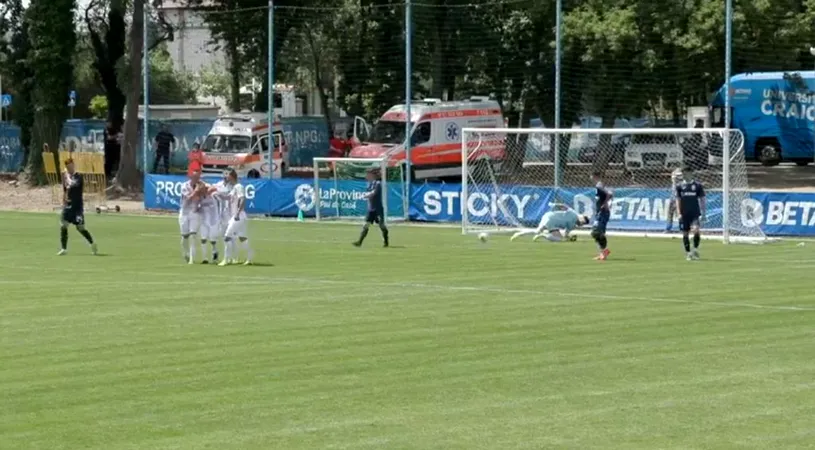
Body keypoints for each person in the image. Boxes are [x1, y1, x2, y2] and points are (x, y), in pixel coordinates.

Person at [58, 159, 98, 256]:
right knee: (63, 226)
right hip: (68, 206)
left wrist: (67, 177)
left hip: (77, 208)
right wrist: (63, 201)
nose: (69, 168)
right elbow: (65, 190)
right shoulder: (66, 177)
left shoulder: (78, 176)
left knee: (80, 228)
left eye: (70, 166)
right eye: (67, 167)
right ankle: (64, 248)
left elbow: (73, 184)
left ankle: (92, 244)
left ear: (73, 165)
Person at [220, 169, 253, 266]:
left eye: (228, 175)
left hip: (238, 216)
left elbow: (242, 199)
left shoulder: (239, 187)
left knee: (227, 237)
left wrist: (238, 213)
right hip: (236, 216)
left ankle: (226, 259)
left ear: (232, 176)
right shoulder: (234, 188)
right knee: (242, 237)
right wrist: (216, 194)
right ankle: (250, 257)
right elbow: (227, 197)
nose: (226, 177)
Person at [510, 204, 590, 242]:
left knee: (537, 231)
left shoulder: (573, 219)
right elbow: (564, 206)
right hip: (552, 220)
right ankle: (544, 235)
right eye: (583, 222)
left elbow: (565, 234)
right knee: (558, 239)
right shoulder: (573, 215)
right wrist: (569, 238)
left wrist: (569, 238)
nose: (581, 224)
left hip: (548, 216)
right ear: (581, 217)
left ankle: (518, 234)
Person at [353, 168, 389, 247]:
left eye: (368, 174)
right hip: (371, 209)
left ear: (373, 175)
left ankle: (386, 242)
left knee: (381, 225)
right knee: (366, 225)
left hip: (378, 209)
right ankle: (359, 242)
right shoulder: (369, 184)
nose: (366, 176)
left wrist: (365, 195)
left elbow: (373, 193)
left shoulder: (378, 183)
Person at [675, 167, 706, 261]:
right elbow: (678, 200)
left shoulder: (697, 186)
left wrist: (703, 213)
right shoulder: (679, 186)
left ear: (691, 173)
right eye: (683, 173)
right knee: (685, 233)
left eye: (686, 173)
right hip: (684, 214)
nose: (685, 175)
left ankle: (695, 249)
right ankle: (688, 253)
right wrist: (679, 213)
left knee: (696, 230)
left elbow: (702, 199)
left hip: (695, 213)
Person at [179, 170, 204, 264]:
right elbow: (189, 198)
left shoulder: (201, 185)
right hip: (185, 212)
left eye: (198, 177)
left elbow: (204, 195)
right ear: (191, 177)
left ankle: (192, 259)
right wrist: (197, 191)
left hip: (194, 212)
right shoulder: (184, 186)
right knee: (185, 236)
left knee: (193, 235)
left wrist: (202, 190)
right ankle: (186, 253)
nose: (196, 179)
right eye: (195, 177)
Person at [590, 171, 612, 260]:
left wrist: (605, 204)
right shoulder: (599, 186)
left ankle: (604, 252)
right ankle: (603, 252)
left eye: (591, 177)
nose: (590, 178)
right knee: (597, 233)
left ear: (595, 176)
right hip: (600, 212)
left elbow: (609, 194)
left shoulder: (599, 186)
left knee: (596, 232)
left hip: (603, 212)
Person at [197, 181, 220, 264]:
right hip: (204, 220)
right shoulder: (199, 197)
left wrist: (209, 191)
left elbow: (216, 188)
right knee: (203, 239)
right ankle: (205, 258)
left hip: (213, 220)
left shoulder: (212, 194)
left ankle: (215, 252)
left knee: (212, 240)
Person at [665, 167, 683, 232]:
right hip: (673, 198)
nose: (673, 177)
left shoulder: (681, 183)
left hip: (679, 199)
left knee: (680, 214)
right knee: (670, 213)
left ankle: (682, 228)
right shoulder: (675, 183)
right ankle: (668, 228)